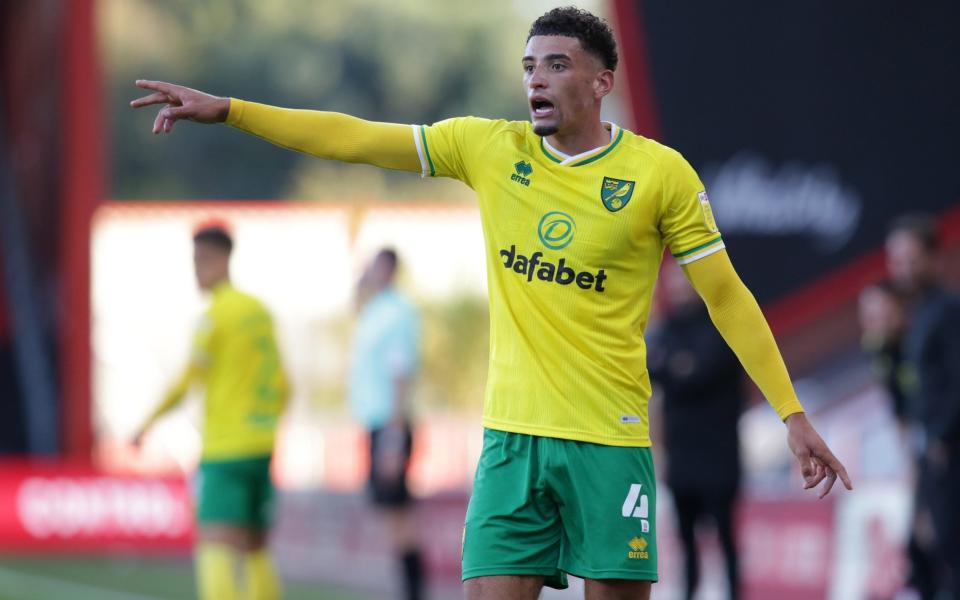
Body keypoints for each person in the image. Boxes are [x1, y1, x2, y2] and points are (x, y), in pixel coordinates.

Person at [130, 8, 851, 599]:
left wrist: (791, 412)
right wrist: (232, 111)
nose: (536, 79)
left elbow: (727, 297)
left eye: (557, 65)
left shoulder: (659, 175)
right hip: (511, 443)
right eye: (529, 66)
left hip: (610, 444)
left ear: (602, 82)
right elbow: (355, 139)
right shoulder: (488, 149)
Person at [134, 224, 288, 600]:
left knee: (214, 544)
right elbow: (283, 382)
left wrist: (144, 425)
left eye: (202, 261)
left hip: (224, 449)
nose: (197, 270)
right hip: (261, 445)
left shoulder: (213, 317)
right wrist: (267, 423)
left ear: (222, 260)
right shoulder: (259, 312)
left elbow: (186, 382)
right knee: (253, 547)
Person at [648, 259, 742, 600]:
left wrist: (675, 367)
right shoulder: (667, 327)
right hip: (682, 455)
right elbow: (652, 366)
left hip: (719, 456)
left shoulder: (722, 324)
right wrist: (677, 367)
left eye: (683, 280)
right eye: (672, 281)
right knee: (685, 541)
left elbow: (699, 371)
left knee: (726, 538)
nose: (677, 288)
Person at [886, 215, 960, 599]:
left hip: (948, 453)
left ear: (933, 257)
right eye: (897, 261)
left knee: (948, 548)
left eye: (911, 259)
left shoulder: (947, 310)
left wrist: (942, 437)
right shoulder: (918, 313)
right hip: (932, 451)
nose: (903, 270)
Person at [349, 248, 424, 600]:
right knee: (391, 515)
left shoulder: (397, 312)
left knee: (399, 515)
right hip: (377, 423)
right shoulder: (375, 310)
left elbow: (400, 376)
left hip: (390, 424)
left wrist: (393, 439)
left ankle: (414, 592)